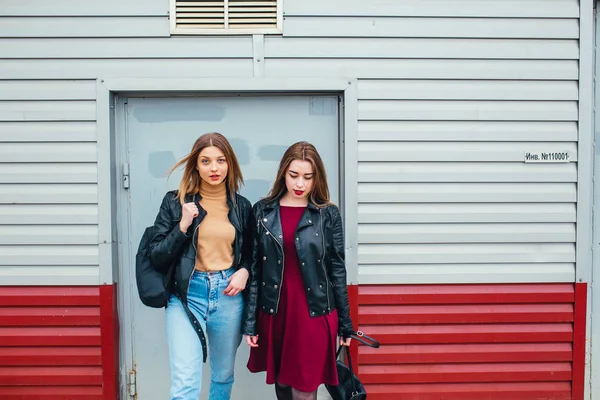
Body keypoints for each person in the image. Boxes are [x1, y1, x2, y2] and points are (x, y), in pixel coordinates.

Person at [243, 141, 354, 400]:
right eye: (294, 175)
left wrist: (345, 325)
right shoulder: (263, 210)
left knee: (304, 391)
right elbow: (256, 269)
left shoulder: (327, 214)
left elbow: (337, 269)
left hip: (314, 313)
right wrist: (250, 323)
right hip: (275, 311)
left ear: (317, 178)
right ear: (284, 173)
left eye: (307, 177)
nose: (300, 183)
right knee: (282, 387)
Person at [148, 132, 253, 400]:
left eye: (220, 160)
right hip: (186, 295)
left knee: (222, 376)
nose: (214, 168)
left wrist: (244, 271)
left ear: (230, 164)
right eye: (206, 161)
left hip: (228, 295)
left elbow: (251, 254)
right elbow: (157, 256)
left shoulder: (241, 207)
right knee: (185, 381)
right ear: (196, 164)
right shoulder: (175, 202)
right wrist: (182, 225)